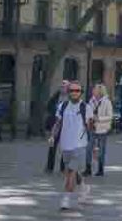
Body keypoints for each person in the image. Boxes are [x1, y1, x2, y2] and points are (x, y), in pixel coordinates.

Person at [49, 82, 90, 211]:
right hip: (65, 145)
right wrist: (52, 136)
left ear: (81, 92)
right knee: (72, 171)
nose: (74, 92)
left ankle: (66, 198)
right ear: (68, 92)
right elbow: (58, 123)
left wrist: (95, 146)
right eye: (72, 90)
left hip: (79, 145)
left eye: (77, 90)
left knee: (70, 173)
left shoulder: (85, 107)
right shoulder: (63, 106)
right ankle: (83, 187)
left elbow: (90, 127)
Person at [86, 84, 112, 176]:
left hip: (102, 129)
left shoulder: (106, 102)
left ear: (100, 92)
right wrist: (88, 120)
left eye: (95, 89)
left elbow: (109, 116)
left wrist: (99, 118)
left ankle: (100, 169)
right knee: (88, 148)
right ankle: (88, 168)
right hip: (92, 128)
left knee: (101, 150)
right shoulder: (91, 101)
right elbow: (88, 112)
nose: (93, 91)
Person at [44, 80, 69, 172]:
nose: (62, 88)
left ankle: (63, 167)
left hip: (66, 125)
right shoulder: (56, 96)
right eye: (61, 86)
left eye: (64, 86)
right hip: (55, 123)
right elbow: (49, 106)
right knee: (52, 145)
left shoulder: (70, 98)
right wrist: (54, 112)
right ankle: (50, 166)